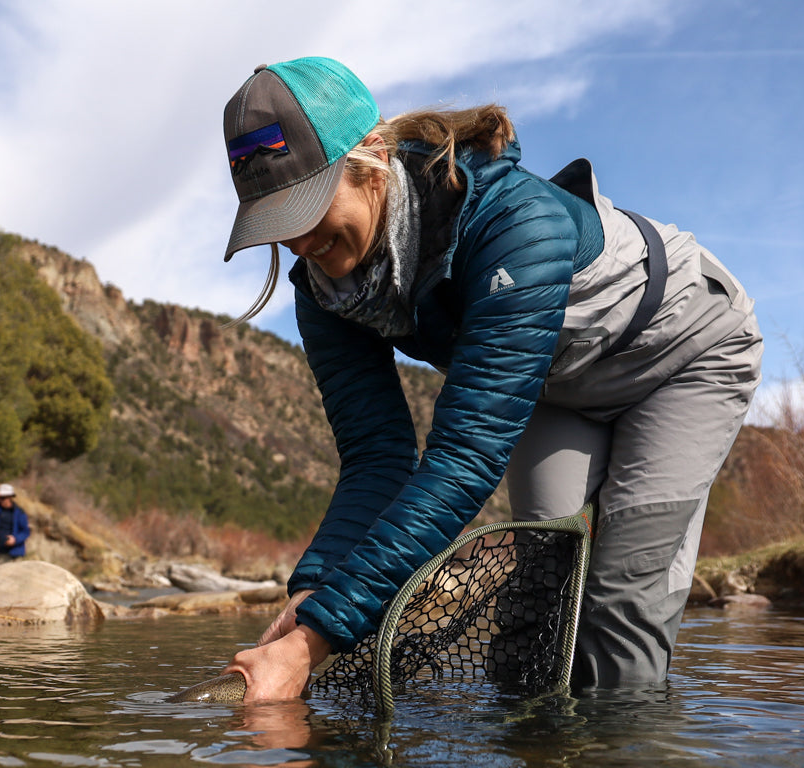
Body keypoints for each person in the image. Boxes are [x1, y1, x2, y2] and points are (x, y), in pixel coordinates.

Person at [219, 57, 762, 701]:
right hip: (561, 387)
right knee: (537, 602)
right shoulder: (325, 293)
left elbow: (464, 456)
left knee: (619, 604)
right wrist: (312, 595)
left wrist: (314, 643)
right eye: (276, 223)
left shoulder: (513, 221)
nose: (301, 242)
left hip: (685, 356)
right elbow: (375, 459)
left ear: (371, 159)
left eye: (304, 207)